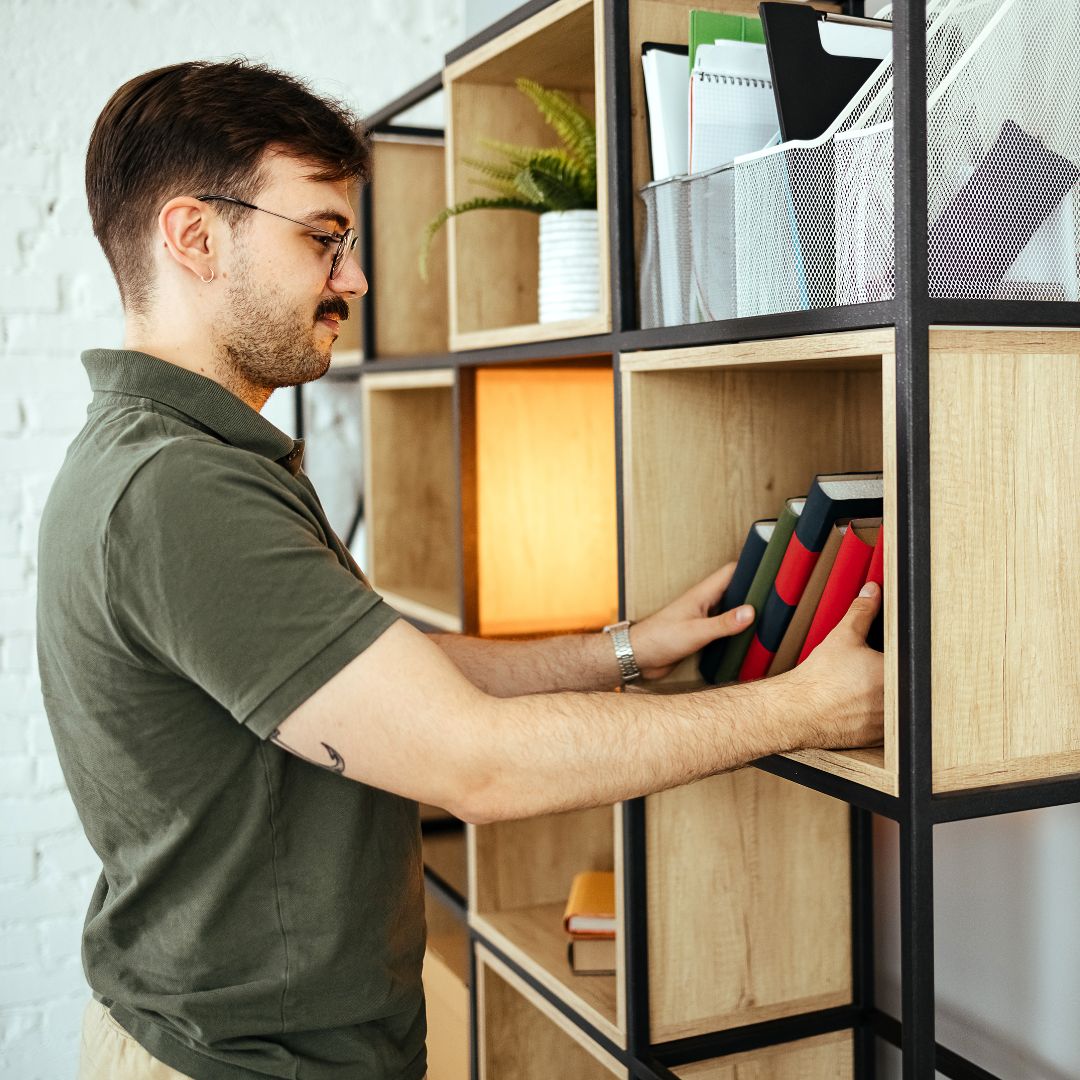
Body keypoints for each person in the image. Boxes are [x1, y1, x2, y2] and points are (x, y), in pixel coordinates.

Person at [36, 60, 884, 1080]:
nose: (352, 279)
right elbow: (474, 762)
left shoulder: (174, 458)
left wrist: (621, 649)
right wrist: (804, 711)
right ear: (194, 235)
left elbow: (384, 682)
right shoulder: (179, 490)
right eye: (321, 238)